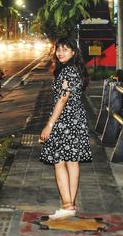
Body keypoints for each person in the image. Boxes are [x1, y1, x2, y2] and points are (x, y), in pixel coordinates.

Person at [39, 37, 92, 220]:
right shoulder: (75, 70)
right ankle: (69, 206)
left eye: (65, 49)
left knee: (60, 161)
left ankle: (68, 205)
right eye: (58, 49)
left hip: (64, 121)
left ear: (73, 52)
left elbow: (62, 99)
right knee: (72, 162)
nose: (60, 53)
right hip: (76, 119)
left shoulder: (67, 71)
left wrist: (49, 124)